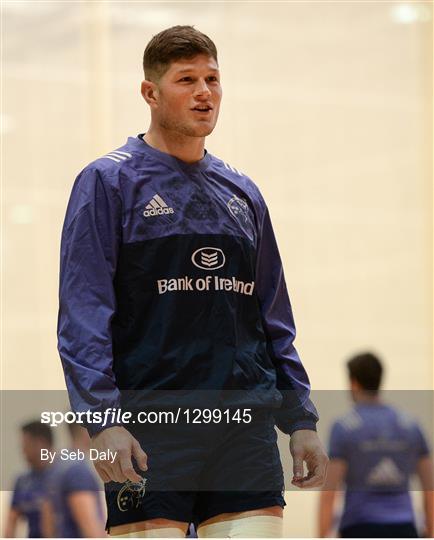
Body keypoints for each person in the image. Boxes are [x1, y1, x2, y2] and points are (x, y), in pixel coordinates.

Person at [57, 25, 328, 538]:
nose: (205, 93)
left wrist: (301, 420)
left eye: (213, 79)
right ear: (150, 92)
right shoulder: (108, 182)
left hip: (243, 432)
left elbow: (272, 319)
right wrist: (103, 419)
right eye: (187, 80)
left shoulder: (243, 193)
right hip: (151, 427)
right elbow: (84, 315)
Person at [318, 352, 433, 538]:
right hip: (404, 527)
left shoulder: (344, 427)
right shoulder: (411, 425)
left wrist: (322, 535)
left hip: (359, 527)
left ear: (354, 383)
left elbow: (329, 492)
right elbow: (429, 488)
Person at [41, 422, 106, 538]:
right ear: (87, 430)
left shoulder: (56, 466)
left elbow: (47, 524)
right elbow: (90, 527)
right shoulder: (78, 470)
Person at [4, 421, 54, 538]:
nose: (23, 451)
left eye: (25, 445)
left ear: (40, 443)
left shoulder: (64, 476)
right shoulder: (22, 482)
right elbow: (11, 522)